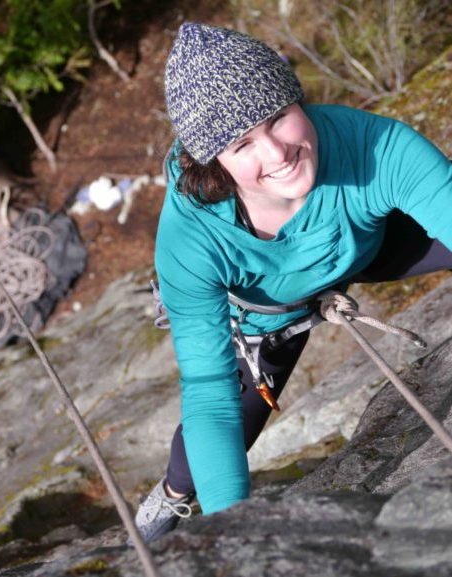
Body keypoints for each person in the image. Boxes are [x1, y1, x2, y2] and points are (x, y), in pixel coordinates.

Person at [132, 22, 452, 543]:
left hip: (365, 243)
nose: (278, 153)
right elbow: (210, 395)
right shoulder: (190, 240)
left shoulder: (375, 147)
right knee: (216, 444)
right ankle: (170, 496)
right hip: (264, 314)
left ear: (298, 101)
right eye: (243, 143)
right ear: (215, 161)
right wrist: (232, 538)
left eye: (279, 116)